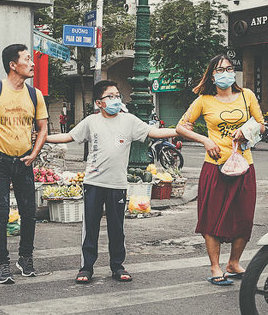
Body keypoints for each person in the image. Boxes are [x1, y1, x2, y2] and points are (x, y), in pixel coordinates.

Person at [46, 80, 180, 284]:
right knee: (90, 227)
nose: (116, 99)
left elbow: (154, 132)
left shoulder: (129, 121)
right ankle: (86, 267)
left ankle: (117, 265)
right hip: (93, 182)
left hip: (117, 185)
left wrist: (179, 130)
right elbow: (68, 136)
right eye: (111, 96)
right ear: (100, 102)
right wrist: (42, 138)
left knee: (117, 228)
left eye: (118, 95)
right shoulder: (92, 121)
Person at [176, 54, 264, 286]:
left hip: (245, 166)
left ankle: (233, 263)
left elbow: (261, 124)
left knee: (244, 218)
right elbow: (181, 127)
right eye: (219, 69)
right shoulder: (204, 100)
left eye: (229, 68)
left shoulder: (247, 96)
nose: (225, 73)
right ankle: (215, 267)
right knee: (212, 218)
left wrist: (247, 132)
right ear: (212, 75)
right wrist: (205, 140)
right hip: (215, 167)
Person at [0, 43, 49, 285]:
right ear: (13, 65)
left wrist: (34, 154)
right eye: (27, 59)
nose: (32, 63)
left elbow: (43, 127)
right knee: (1, 214)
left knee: (29, 213)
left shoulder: (34, 95)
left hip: (25, 161)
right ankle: (2, 264)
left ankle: (25, 258)